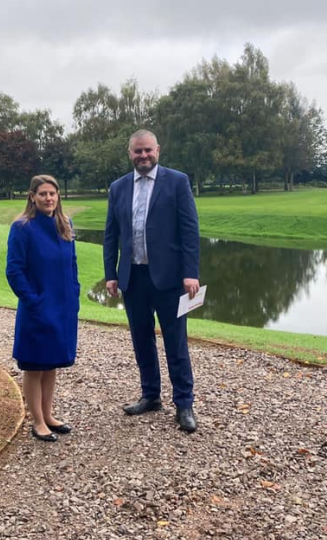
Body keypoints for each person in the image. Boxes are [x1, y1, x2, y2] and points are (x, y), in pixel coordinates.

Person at [103, 129, 201, 432]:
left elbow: (189, 230)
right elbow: (111, 235)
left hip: (170, 280)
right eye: (137, 152)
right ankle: (151, 395)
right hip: (134, 278)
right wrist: (111, 274)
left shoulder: (177, 181)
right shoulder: (118, 188)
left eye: (148, 150)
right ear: (130, 153)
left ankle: (184, 404)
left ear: (157, 150)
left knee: (176, 342)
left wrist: (191, 272)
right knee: (141, 340)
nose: (143, 156)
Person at [6, 175, 80, 442]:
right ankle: (37, 421)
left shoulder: (64, 224)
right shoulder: (22, 227)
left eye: (53, 193)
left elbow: (72, 263)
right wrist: (32, 300)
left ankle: (48, 415)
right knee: (35, 365)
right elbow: (14, 270)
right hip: (37, 308)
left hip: (63, 307)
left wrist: (74, 292)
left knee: (51, 364)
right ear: (32, 197)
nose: (49, 198)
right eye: (43, 194)